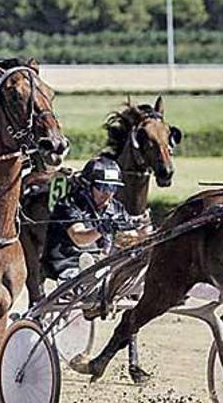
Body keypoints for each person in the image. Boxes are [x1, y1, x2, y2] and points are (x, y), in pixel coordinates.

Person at [43, 156, 151, 384]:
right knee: (87, 260)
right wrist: (103, 228)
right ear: (88, 185)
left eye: (112, 188)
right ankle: (95, 286)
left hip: (103, 266)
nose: (108, 193)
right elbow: (79, 238)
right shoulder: (69, 205)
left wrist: (143, 233)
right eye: (102, 187)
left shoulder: (114, 207)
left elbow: (129, 235)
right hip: (68, 265)